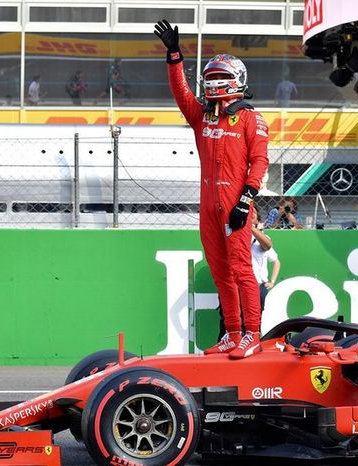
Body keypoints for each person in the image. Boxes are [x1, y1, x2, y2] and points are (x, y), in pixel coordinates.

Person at [155, 20, 269, 359]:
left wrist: (246, 199)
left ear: (237, 80)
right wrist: (175, 55)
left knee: (241, 270)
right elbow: (181, 92)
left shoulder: (251, 118)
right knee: (220, 270)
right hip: (207, 206)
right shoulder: (201, 116)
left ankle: (253, 335)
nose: (214, 83)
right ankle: (232, 334)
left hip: (236, 204)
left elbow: (260, 162)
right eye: (211, 78)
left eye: (221, 78)